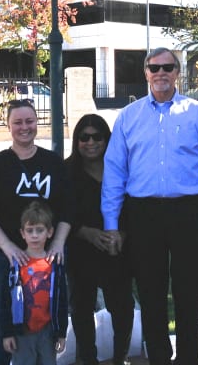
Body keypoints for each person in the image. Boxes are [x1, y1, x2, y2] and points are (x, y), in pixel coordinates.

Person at [102, 48, 198, 365]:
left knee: (190, 293)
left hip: (189, 213)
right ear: (145, 72)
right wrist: (111, 223)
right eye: (154, 67)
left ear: (178, 72)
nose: (161, 72)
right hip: (143, 214)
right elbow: (115, 173)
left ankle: (188, 359)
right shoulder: (128, 117)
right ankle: (158, 357)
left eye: (168, 67)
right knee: (150, 292)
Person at [0, 98, 73, 365]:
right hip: (1, 257)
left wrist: (58, 244)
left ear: (37, 122)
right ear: (8, 125)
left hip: (46, 260)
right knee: (1, 323)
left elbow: (67, 209)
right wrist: (8, 246)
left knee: (43, 321)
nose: (24, 127)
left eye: (29, 121)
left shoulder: (53, 163)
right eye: (17, 122)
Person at [66, 114, 134, 365]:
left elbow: (134, 207)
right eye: (84, 137)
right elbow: (60, 213)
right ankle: (88, 359)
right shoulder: (67, 173)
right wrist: (86, 232)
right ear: (77, 141)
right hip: (81, 250)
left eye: (98, 137)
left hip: (117, 251)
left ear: (108, 140)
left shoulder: (122, 170)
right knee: (82, 309)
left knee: (123, 308)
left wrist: (122, 233)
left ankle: (120, 357)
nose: (91, 142)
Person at [2, 201, 68, 365]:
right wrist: (7, 333)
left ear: (50, 232)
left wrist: (61, 332)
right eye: (30, 231)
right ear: (22, 233)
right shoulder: (15, 265)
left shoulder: (55, 265)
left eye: (40, 230)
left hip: (48, 330)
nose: (35, 235)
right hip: (22, 331)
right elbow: (5, 301)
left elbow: (63, 301)